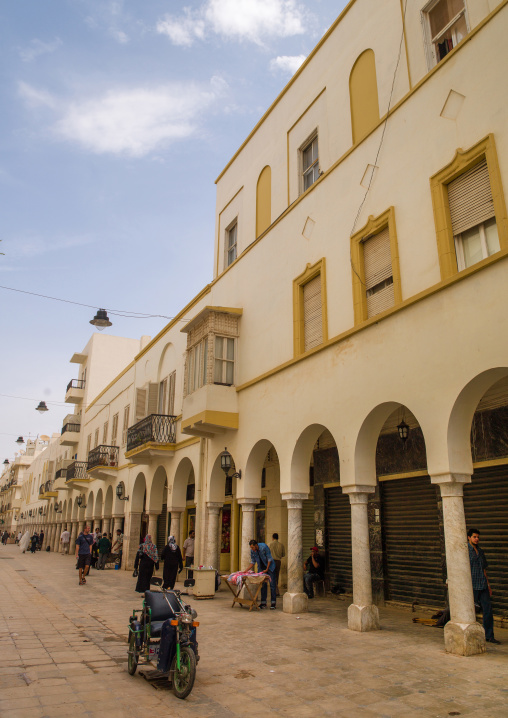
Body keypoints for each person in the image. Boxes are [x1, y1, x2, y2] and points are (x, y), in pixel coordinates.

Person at [467, 528, 500, 644]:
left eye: (478, 537)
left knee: (488, 611)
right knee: (469, 612)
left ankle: (489, 635)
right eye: (474, 537)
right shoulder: (465, 551)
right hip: (472, 586)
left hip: (482, 584)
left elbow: (484, 569)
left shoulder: (480, 551)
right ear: (469, 538)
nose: (477, 539)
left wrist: (488, 585)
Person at [245, 539, 277, 609]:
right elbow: (253, 562)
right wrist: (246, 570)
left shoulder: (264, 547)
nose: (252, 549)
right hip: (261, 569)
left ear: (256, 545)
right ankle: (263, 602)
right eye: (251, 548)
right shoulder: (252, 551)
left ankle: (273, 603)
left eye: (253, 547)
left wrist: (267, 569)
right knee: (263, 585)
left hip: (270, 567)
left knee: (272, 585)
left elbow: (269, 559)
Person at [269, 533, 285, 597]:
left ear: (272, 537)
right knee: (276, 576)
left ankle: (274, 591)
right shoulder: (281, 545)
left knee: (272, 576)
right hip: (278, 561)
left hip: (272, 561)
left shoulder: (270, 544)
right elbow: (283, 554)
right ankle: (276, 591)